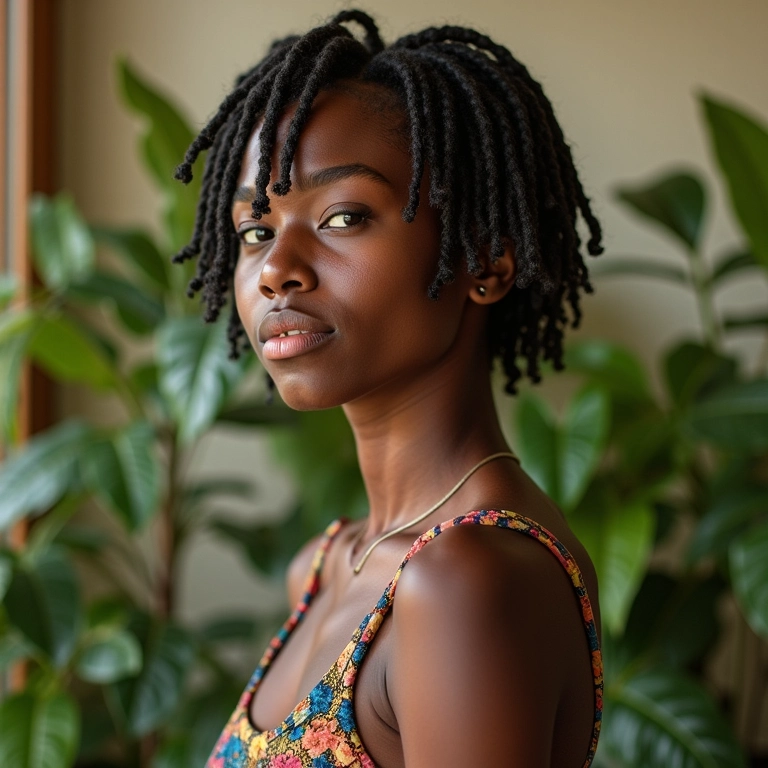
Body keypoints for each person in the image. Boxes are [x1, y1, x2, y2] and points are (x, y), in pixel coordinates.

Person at [173, 10, 604, 767]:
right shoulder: (327, 564)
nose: (276, 267)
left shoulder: (466, 580)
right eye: (254, 229)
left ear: (486, 260)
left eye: (343, 216)